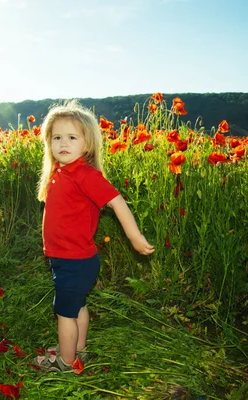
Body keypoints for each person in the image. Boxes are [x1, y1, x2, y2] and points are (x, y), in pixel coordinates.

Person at [33, 100, 155, 373]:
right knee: (78, 306)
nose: (63, 143)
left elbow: (116, 201)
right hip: (70, 258)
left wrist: (135, 237)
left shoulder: (85, 174)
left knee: (64, 312)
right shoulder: (60, 171)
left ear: (87, 144)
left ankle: (64, 363)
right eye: (57, 137)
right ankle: (77, 350)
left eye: (72, 137)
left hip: (74, 260)